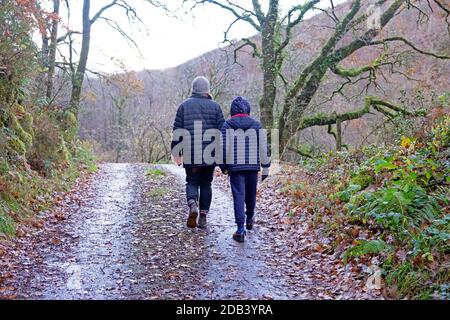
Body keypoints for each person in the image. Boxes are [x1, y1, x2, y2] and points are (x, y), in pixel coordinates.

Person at [171, 76, 225, 229]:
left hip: (190, 152)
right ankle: (202, 216)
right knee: (206, 184)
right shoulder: (216, 107)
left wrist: (177, 154)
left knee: (192, 181)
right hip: (210, 153)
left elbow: (177, 132)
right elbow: (223, 131)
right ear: (207, 90)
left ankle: (193, 203)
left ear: (193, 89)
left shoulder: (184, 106)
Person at [220, 97, 271, 243]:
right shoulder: (256, 125)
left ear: (232, 111)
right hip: (252, 166)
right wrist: (265, 167)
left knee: (239, 196)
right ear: (248, 110)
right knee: (251, 194)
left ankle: (240, 229)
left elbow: (223, 148)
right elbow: (263, 148)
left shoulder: (227, 125)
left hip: (235, 167)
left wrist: (223, 166)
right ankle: (249, 219)